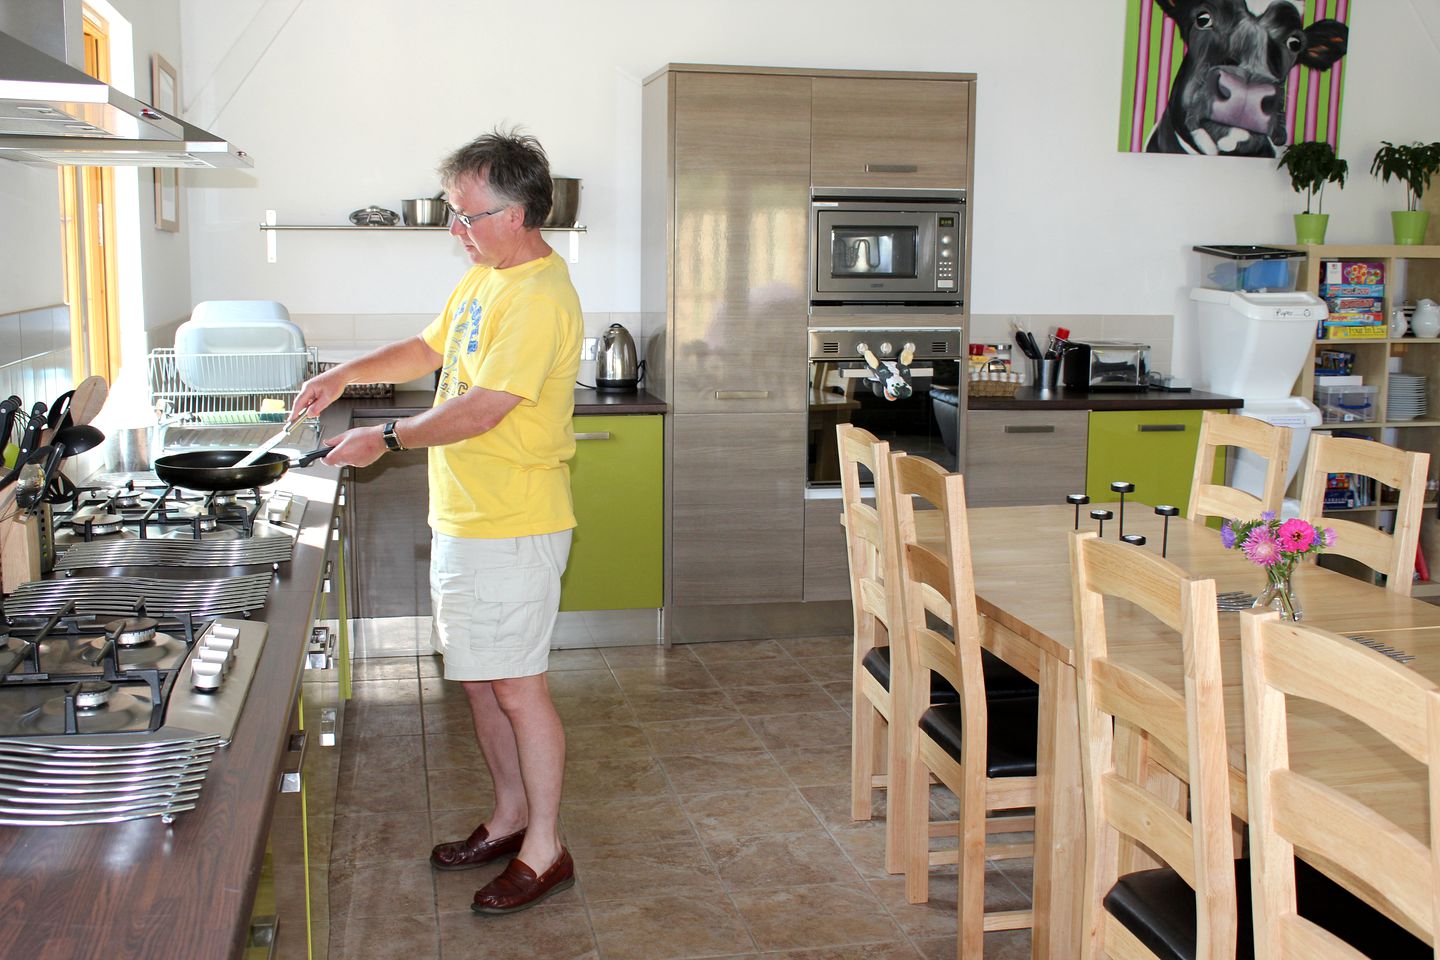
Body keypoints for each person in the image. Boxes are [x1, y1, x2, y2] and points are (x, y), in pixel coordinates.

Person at [292, 129, 582, 915]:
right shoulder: (487, 279)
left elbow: (482, 410)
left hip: (513, 525)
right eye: (453, 214)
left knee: (518, 688)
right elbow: (430, 348)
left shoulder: (539, 296)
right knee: (483, 685)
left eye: (466, 215)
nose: (457, 230)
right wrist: (343, 373)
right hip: (467, 519)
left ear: (517, 213)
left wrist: (383, 437)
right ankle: (511, 818)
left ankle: (547, 849)